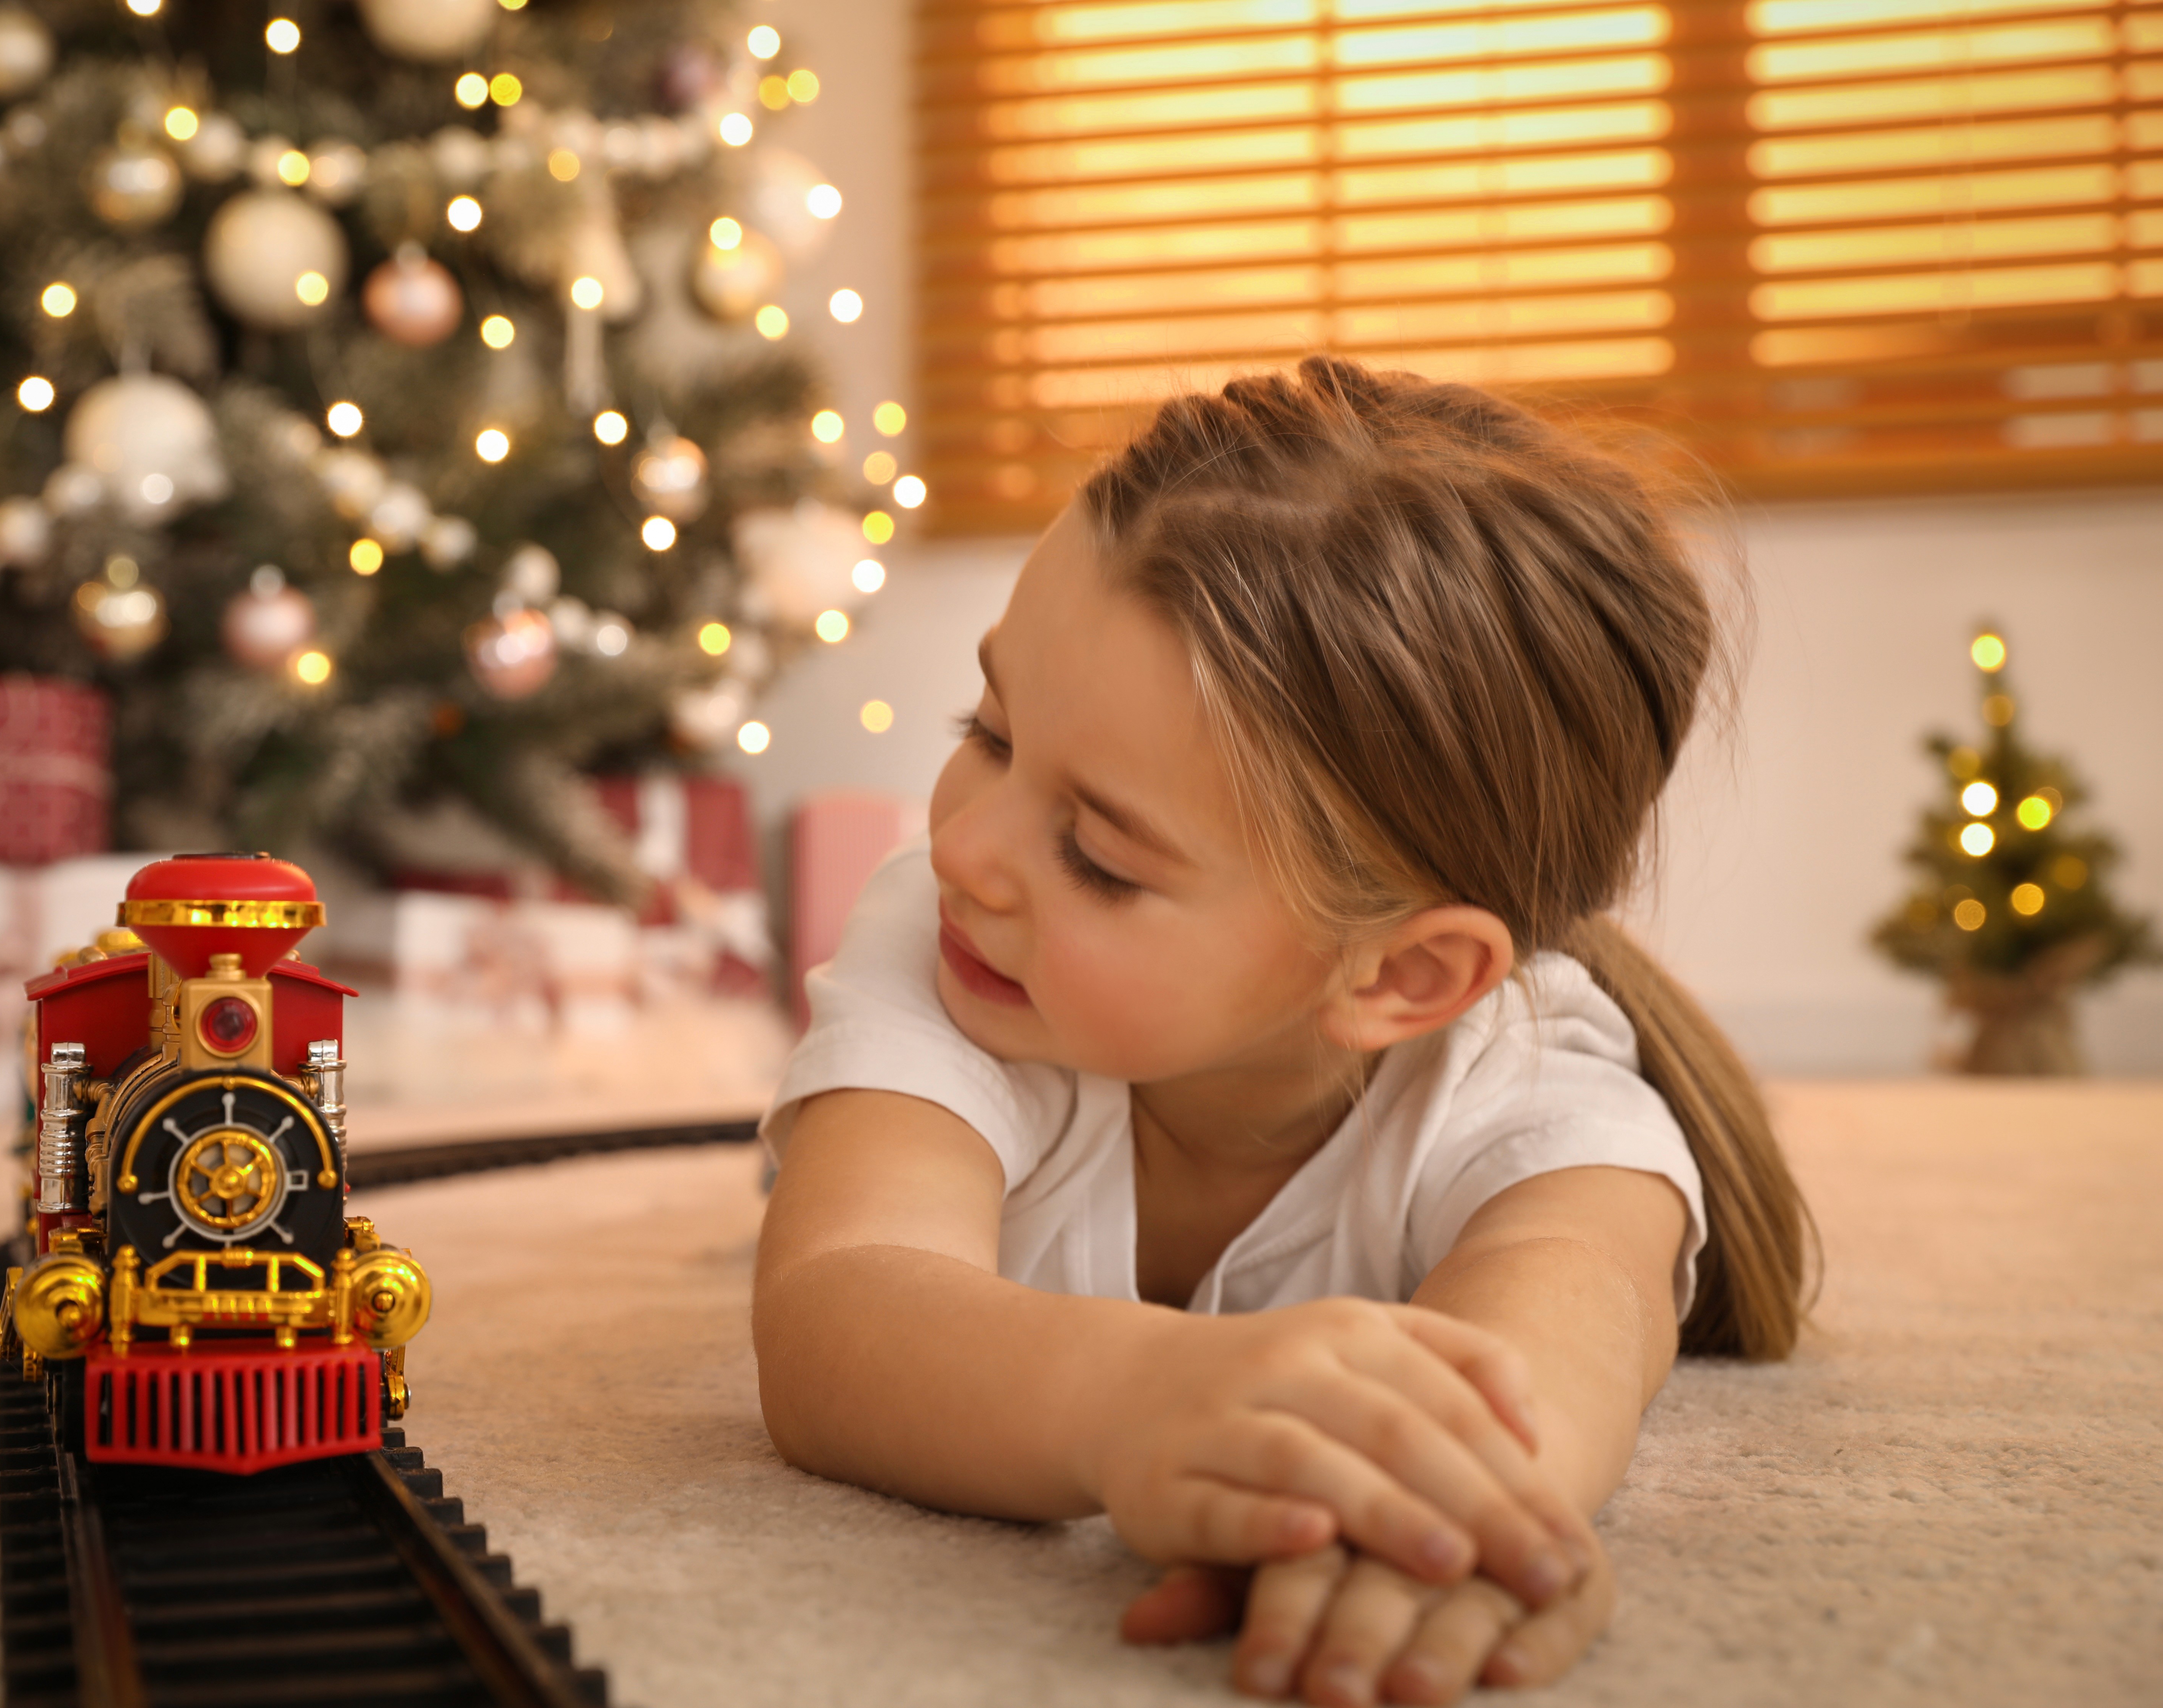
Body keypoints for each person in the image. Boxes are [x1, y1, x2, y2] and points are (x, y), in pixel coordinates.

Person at [750, 357, 1816, 1706]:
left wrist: (1443, 1528)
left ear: (1406, 977)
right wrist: (1142, 1400)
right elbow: (837, 1306)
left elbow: (1557, 1365)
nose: (963, 847)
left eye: (1098, 855)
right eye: (992, 731)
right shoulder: (954, 943)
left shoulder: (1535, 1083)